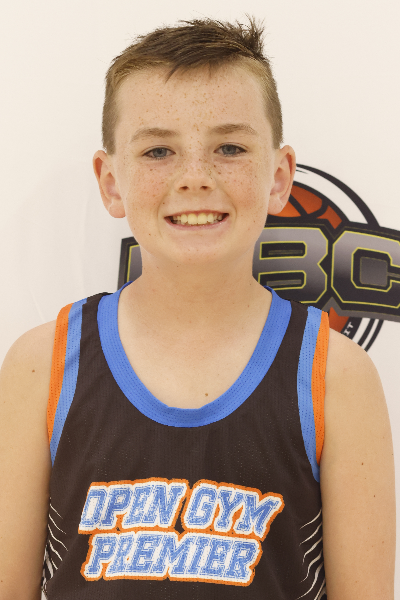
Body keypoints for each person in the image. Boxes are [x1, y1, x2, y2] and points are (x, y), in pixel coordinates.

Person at [0, 17, 395, 600]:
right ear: (110, 181)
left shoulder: (335, 377)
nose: (195, 178)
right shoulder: (44, 367)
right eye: (158, 150)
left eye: (229, 148)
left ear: (279, 177)